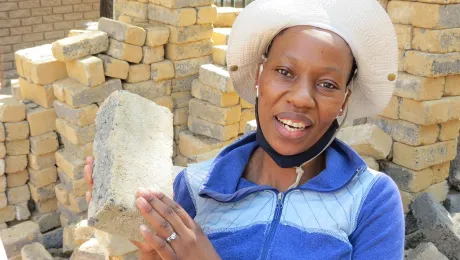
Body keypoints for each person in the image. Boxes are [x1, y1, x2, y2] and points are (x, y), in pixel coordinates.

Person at [85, 0, 404, 259]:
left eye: (327, 84)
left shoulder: (370, 199)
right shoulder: (193, 189)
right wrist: (130, 234)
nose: (302, 97)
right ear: (259, 76)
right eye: (284, 71)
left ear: (344, 101)